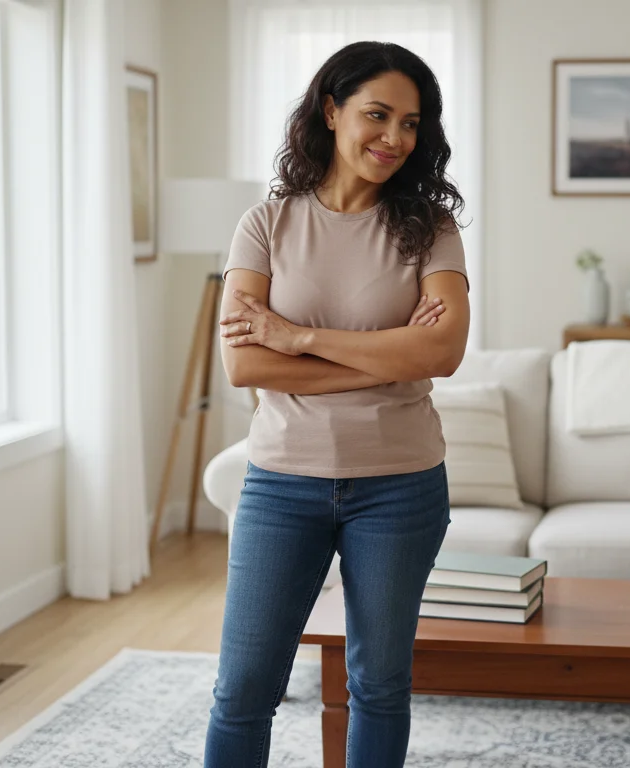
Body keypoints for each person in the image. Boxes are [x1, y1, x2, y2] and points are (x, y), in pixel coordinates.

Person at [202, 40, 470, 768]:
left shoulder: (430, 229)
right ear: (331, 109)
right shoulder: (266, 223)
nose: (395, 138)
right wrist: (383, 358)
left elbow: (442, 354)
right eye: (377, 115)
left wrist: (299, 338)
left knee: (378, 685)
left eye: (411, 123)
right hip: (282, 482)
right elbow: (243, 363)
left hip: (401, 487)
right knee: (244, 687)